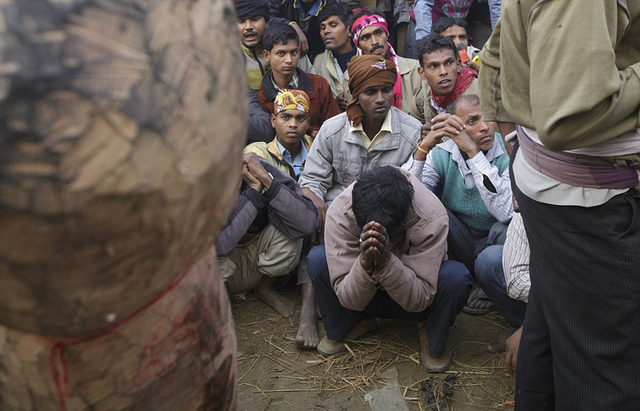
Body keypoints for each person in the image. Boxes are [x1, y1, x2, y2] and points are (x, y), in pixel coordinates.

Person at [480, 2, 640, 410]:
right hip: (590, 205)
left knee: (555, 327)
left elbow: (499, 59)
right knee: (605, 374)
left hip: (561, 189)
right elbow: (568, 117)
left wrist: (518, 145)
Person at [309, 166, 472, 371]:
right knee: (317, 259)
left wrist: (387, 261)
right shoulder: (341, 211)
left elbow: (420, 298)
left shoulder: (431, 215)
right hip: (365, 296)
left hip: (415, 303)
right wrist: (365, 264)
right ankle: (354, 324)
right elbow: (347, 296)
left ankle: (430, 331)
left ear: (404, 218)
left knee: (455, 277)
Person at [403, 94, 512, 313]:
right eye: (472, 122)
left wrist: (472, 152)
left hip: (496, 243)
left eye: (488, 118)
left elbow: (505, 212)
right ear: (455, 129)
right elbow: (407, 196)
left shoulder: (508, 151)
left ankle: (492, 284)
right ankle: (461, 279)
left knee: (507, 225)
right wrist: (424, 147)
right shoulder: (443, 154)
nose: (485, 128)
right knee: (434, 210)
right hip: (461, 240)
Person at [244, 89, 319, 348]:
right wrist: (305, 197)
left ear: (308, 123)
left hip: (309, 229)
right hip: (270, 229)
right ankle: (265, 288)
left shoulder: (316, 147)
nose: (293, 124)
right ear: (273, 120)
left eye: (300, 118)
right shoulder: (258, 152)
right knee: (294, 218)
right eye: (285, 117)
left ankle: (308, 306)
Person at [298, 54, 421, 212]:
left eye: (386, 90)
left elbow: (415, 189)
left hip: (389, 214)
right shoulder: (332, 130)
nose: (380, 99)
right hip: (338, 210)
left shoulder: (411, 132)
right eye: (370, 92)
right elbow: (313, 179)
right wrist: (316, 204)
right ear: (356, 95)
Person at [216, 153, 319, 318]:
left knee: (292, 227)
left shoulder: (255, 165)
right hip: (224, 271)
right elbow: (219, 247)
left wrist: (267, 180)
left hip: (258, 264)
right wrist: (254, 194)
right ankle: (222, 299)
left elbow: (306, 224)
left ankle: (264, 288)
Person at [258, 23, 340, 138]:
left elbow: (336, 126)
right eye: (281, 53)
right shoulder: (261, 97)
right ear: (267, 55)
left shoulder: (319, 85)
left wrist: (321, 136)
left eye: (293, 53)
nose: (289, 60)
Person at [344, 10, 422, 115]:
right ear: (359, 44)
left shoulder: (414, 69)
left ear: (387, 34)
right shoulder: (350, 76)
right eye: (366, 37)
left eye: (379, 33)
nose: (375, 41)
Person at [236, 0, 316, 91]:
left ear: (267, 23)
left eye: (255, 19)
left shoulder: (290, 48)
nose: (248, 27)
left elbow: (315, 89)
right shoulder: (229, 57)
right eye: (241, 21)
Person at [410, 33, 478, 124]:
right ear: (422, 73)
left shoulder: (481, 94)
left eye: (449, 63)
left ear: (458, 65)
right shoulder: (421, 100)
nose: (443, 72)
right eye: (433, 66)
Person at [313, 2, 355, 111]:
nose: (326, 31)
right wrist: (334, 102)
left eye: (333, 25)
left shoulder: (365, 56)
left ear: (349, 29)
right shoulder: (318, 62)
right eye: (322, 27)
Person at [269, 0, 338, 62]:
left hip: (316, 58)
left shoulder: (330, 4)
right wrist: (291, 25)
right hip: (281, 54)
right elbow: (266, 18)